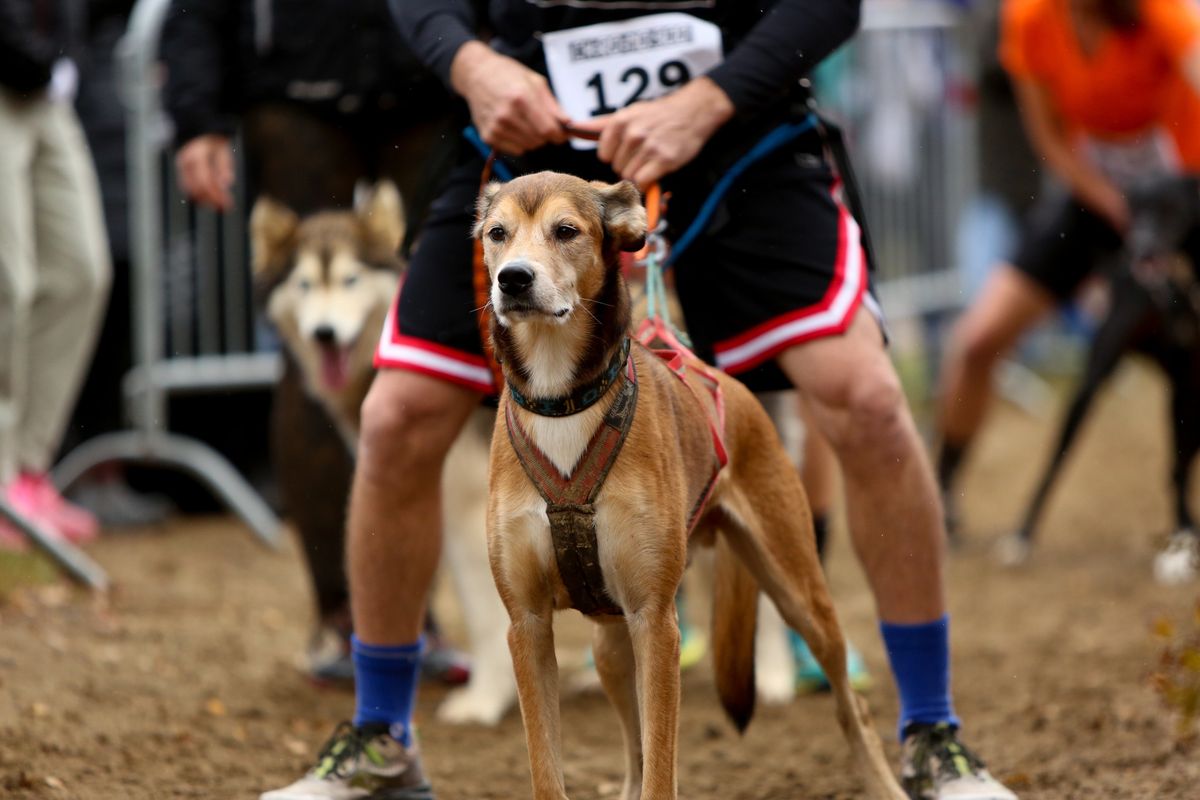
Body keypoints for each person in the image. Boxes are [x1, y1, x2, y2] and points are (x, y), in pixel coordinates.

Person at [263, 2, 1019, 799]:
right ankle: (382, 733)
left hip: (741, 126)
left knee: (864, 398)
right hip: (528, 137)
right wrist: (468, 62)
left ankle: (932, 730)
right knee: (395, 414)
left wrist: (713, 97)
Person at [160, 0, 459, 683]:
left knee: (434, 358)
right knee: (313, 362)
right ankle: (340, 614)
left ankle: (419, 611)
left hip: (434, 79)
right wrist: (195, 115)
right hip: (292, 85)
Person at [936, 0, 1200, 524]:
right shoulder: (1030, 17)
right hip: (1095, 199)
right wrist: (1112, 204)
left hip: (1183, 203)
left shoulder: (1161, 10)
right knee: (977, 339)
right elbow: (1049, 141)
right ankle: (938, 492)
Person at [0, 0, 112, 550]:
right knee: (6, 285)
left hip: (46, 86)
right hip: (10, 72)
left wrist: (64, 60)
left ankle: (26, 473)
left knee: (81, 272)